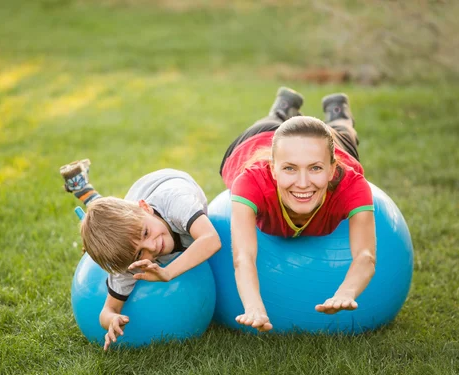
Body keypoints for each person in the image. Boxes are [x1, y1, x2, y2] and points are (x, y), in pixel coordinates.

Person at [220, 87, 376, 333]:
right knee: (270, 123)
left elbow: (365, 255)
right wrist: (254, 307)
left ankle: (338, 114)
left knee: (343, 133)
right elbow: (243, 257)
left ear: (333, 169)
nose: (303, 183)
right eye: (289, 169)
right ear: (273, 170)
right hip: (255, 141)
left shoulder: (351, 185)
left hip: (327, 142)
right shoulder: (251, 182)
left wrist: (346, 292)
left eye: (315, 169)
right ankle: (282, 108)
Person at [60, 162, 221, 350]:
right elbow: (107, 310)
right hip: (138, 211)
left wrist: (168, 272)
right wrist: (111, 319)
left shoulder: (177, 203)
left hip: (164, 183)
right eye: (140, 253)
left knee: (122, 222)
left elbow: (211, 239)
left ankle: (85, 191)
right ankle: (83, 189)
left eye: (145, 233)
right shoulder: (132, 261)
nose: (153, 246)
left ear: (145, 208)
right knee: (111, 229)